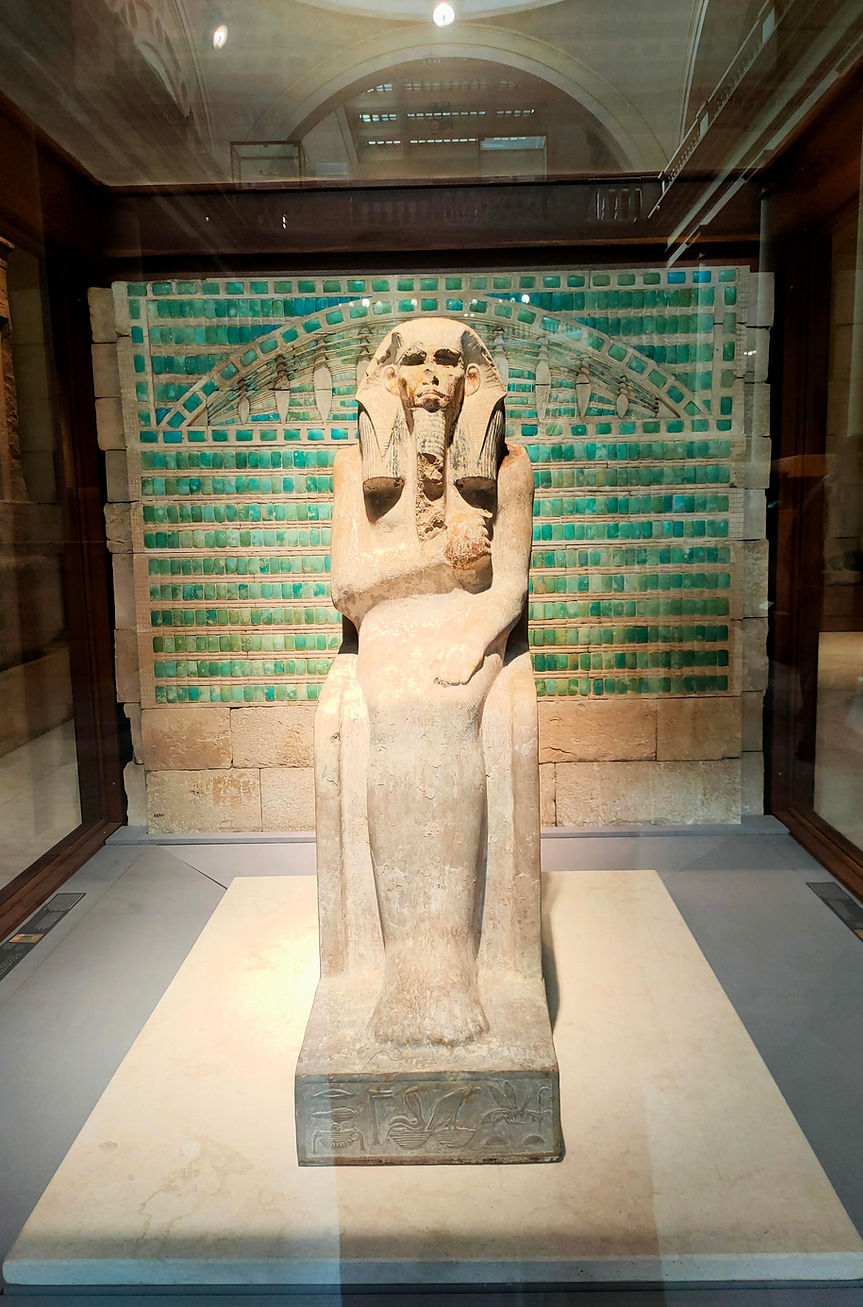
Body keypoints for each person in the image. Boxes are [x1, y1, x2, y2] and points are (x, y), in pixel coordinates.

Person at [329, 318, 534, 1046]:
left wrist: (476, 635)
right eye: (413, 362)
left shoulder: (509, 468)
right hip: (390, 620)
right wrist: (438, 565)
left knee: (446, 712)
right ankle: (406, 970)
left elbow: (507, 590)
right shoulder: (353, 467)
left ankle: (445, 968)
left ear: (472, 380)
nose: (431, 378)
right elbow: (350, 588)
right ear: (389, 378)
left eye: (448, 362)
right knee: (400, 708)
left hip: (467, 622)